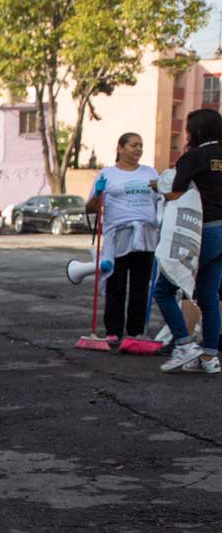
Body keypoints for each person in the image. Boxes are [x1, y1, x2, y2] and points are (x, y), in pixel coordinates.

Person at [154, 109, 222, 374]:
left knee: (164, 289)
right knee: (208, 294)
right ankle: (209, 357)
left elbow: (175, 192)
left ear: (196, 132)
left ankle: (184, 344)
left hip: (202, 232)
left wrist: (156, 184)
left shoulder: (193, 157)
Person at [85, 133, 159, 346]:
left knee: (140, 285)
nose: (138, 149)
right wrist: (98, 194)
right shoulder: (106, 174)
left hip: (145, 236)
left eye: (141, 146)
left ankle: (135, 331)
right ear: (120, 148)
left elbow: (160, 200)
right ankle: (113, 331)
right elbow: (91, 208)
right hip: (118, 237)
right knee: (116, 284)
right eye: (133, 145)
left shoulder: (150, 173)